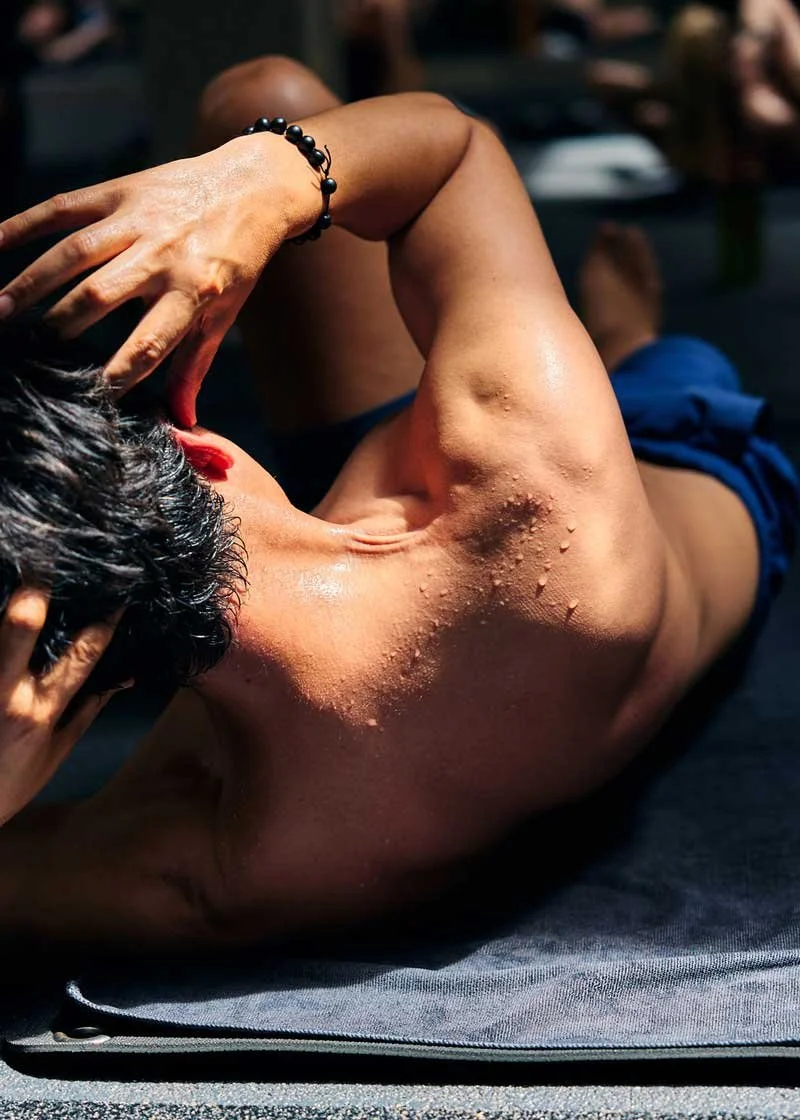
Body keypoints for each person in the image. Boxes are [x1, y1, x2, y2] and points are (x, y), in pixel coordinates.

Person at [0, 56, 796, 951]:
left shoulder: (215, 856)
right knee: (269, 112)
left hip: (450, 542)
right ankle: (623, 341)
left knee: (264, 108)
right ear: (199, 441)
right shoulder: (536, 484)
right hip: (688, 466)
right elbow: (456, 153)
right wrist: (265, 179)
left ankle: (574, 342)